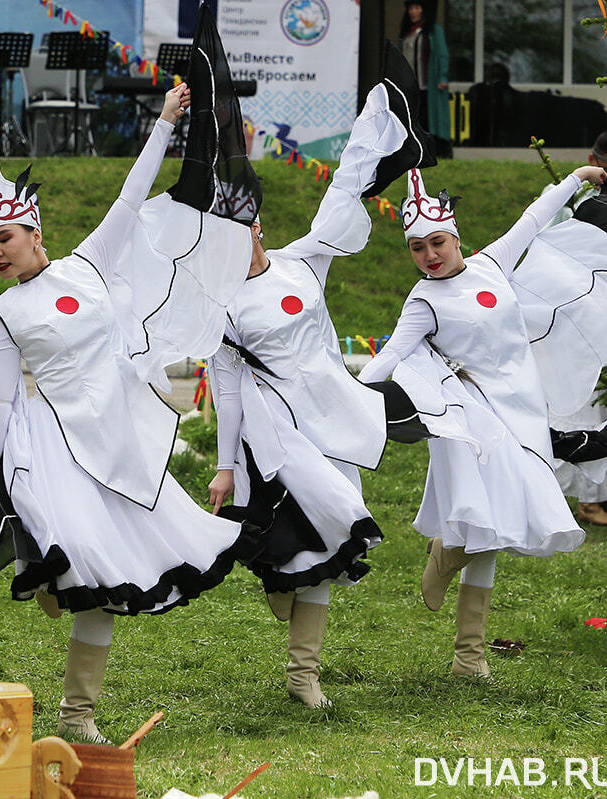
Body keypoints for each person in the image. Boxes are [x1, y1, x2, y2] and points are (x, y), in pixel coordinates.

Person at [0, 8, 273, 742]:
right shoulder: (4, 310)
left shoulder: (87, 264)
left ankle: (76, 715)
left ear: (34, 232)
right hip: (54, 448)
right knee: (79, 570)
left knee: (105, 581)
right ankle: (51, 601)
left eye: (5, 237)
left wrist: (166, 121)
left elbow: (127, 198)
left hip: (117, 436)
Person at [205, 48, 435, 708]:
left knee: (335, 530)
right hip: (272, 434)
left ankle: (302, 673)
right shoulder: (219, 305)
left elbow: (344, 188)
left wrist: (376, 112)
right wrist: (223, 464)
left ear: (257, 224)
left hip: (331, 418)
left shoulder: (302, 265)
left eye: (242, 225)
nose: (236, 237)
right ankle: (280, 584)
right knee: (289, 555)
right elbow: (223, 383)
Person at [357, 164, 607, 677]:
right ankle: (467, 636)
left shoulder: (491, 264)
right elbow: (387, 359)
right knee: (488, 519)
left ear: (455, 238)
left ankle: (465, 649)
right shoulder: (424, 300)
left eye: (437, 243)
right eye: (417, 248)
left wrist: (575, 179)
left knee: (496, 524)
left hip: (525, 411)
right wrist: (344, 398)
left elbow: (533, 219)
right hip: (474, 420)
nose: (429, 255)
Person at [543, 132, 607, 527]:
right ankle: (580, 501)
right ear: (593, 160)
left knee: (605, 412)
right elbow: (550, 248)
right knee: (577, 407)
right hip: (573, 314)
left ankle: (603, 495)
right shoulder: (565, 198)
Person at [400, 1, 451, 157]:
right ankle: (417, 154)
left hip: (430, 85)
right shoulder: (408, 33)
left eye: (417, 8)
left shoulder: (433, 30)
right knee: (415, 120)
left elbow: (442, 54)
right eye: (411, 8)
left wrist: (443, 76)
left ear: (423, 10)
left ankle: (439, 152)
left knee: (431, 119)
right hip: (411, 86)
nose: (413, 12)